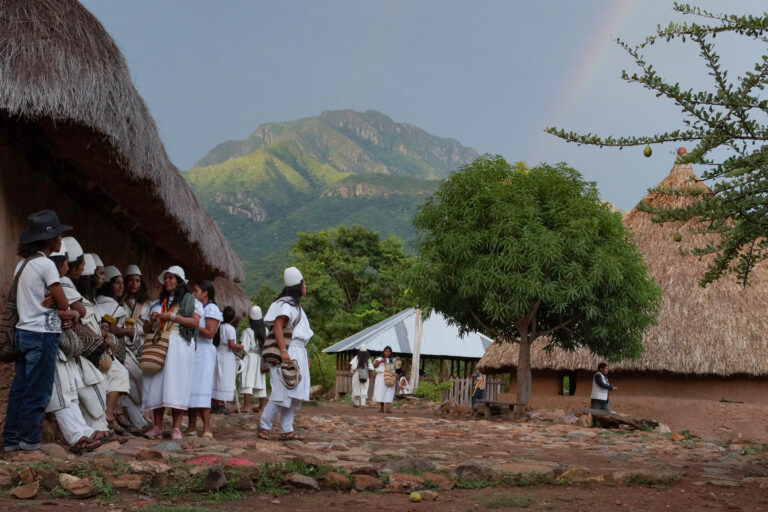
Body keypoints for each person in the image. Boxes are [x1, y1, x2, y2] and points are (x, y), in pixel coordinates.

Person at [3, 210, 73, 453]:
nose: (61, 239)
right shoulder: (46, 265)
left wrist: (51, 298)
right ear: (49, 239)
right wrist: (56, 300)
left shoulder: (23, 265)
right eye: (59, 235)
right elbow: (64, 304)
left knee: (20, 390)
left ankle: (11, 441)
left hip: (23, 333)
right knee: (37, 392)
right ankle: (29, 442)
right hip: (42, 335)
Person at [142, 266, 202, 440]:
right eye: (166, 278)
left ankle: (176, 428)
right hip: (160, 343)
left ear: (180, 281)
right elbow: (146, 328)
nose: (167, 281)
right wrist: (151, 321)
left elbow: (194, 323)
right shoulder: (157, 303)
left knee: (178, 383)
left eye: (171, 277)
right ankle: (157, 426)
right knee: (157, 383)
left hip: (180, 344)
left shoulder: (191, 301)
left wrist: (172, 317)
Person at [258, 267, 312, 441]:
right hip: (288, 350)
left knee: (292, 390)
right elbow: (278, 326)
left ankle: (287, 429)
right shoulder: (285, 305)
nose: (305, 286)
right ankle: (264, 426)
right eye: (304, 283)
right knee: (281, 391)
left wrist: (304, 356)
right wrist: (283, 351)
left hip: (297, 351)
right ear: (299, 285)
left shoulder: (296, 306)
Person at [95, 266, 135, 434]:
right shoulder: (108, 303)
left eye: (122, 283)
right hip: (102, 347)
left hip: (107, 348)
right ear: (108, 285)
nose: (121, 287)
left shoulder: (100, 301)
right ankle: (111, 413)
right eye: (117, 283)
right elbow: (113, 329)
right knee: (125, 374)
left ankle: (116, 411)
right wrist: (128, 331)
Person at [186, 280, 222, 437]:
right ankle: (191, 426)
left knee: (202, 387)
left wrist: (192, 324)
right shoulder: (197, 308)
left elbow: (210, 333)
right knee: (191, 388)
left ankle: (207, 428)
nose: (194, 293)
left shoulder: (211, 308)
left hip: (204, 351)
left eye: (196, 290)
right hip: (194, 350)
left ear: (205, 292)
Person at [119, 265, 151, 430]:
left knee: (143, 379)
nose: (134, 284)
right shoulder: (119, 302)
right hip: (125, 345)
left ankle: (143, 416)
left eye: (137, 281)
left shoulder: (146, 305)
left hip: (142, 346)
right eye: (130, 280)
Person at [212, 306, 241, 414]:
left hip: (217, 353)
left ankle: (214, 402)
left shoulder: (218, 326)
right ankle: (220, 404)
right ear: (233, 318)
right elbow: (231, 344)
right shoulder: (230, 329)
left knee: (216, 378)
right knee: (224, 379)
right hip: (226, 356)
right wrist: (240, 346)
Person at [240, 306, 268, 413]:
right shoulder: (265, 330)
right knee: (260, 382)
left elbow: (244, 348)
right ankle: (262, 407)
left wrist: (237, 358)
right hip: (261, 359)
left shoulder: (248, 331)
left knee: (248, 380)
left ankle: (246, 406)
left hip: (250, 358)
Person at [373, 346, 396, 413]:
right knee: (380, 392)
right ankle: (382, 408)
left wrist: (388, 361)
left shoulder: (391, 360)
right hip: (380, 378)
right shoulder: (379, 359)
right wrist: (380, 362)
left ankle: (388, 408)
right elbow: (374, 366)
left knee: (389, 392)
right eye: (386, 351)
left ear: (391, 352)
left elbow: (392, 368)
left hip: (388, 377)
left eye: (389, 351)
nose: (388, 353)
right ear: (384, 352)